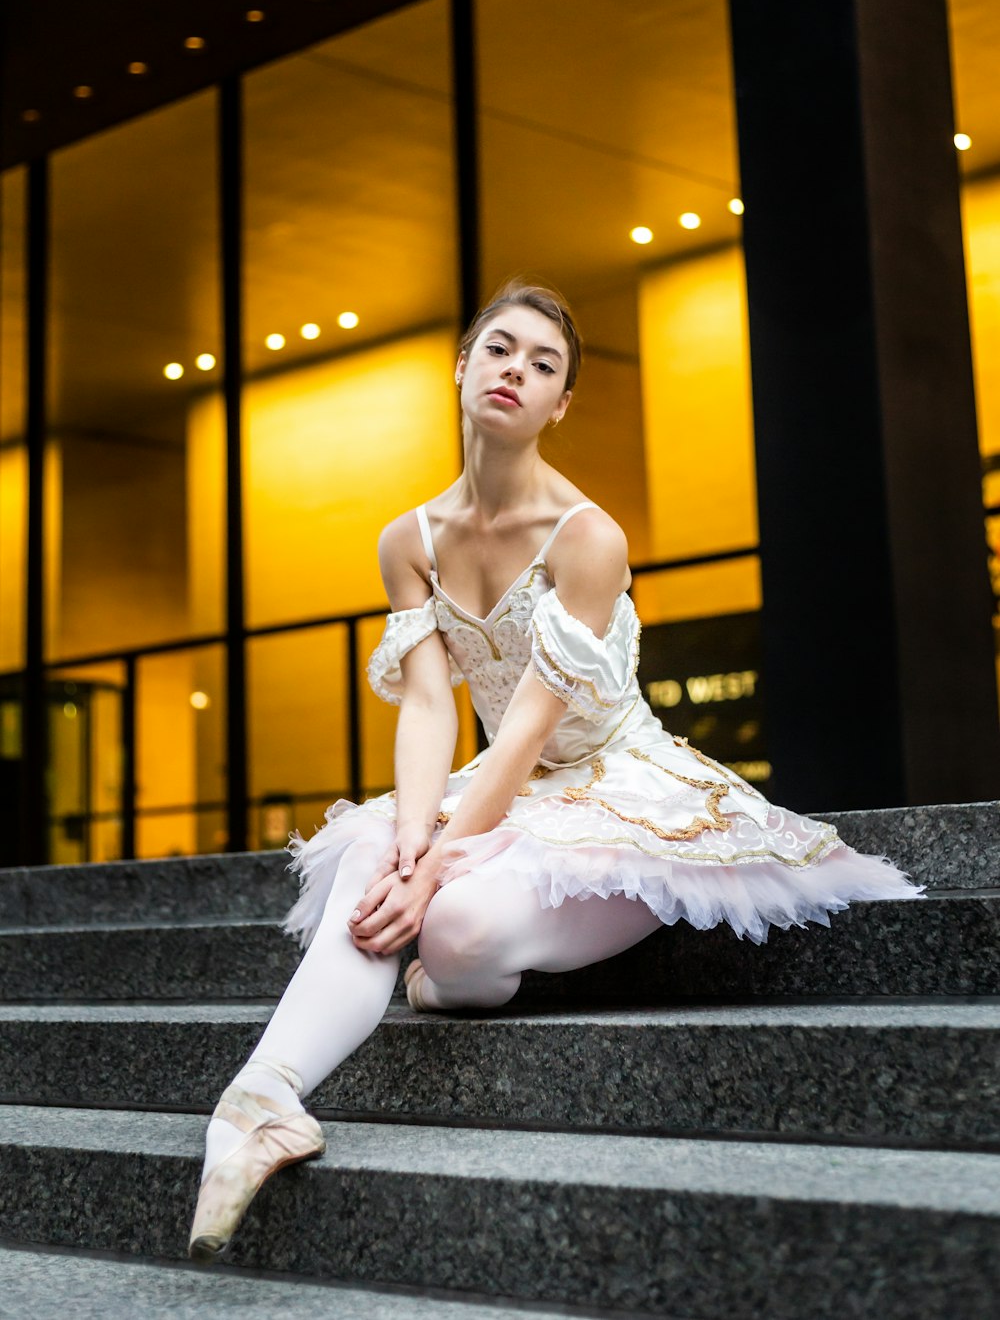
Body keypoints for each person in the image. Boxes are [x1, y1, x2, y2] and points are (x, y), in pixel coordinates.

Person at [188, 278, 922, 1260]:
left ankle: (444, 982)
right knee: (377, 859)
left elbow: (529, 729)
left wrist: (439, 864)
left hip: (616, 787)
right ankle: (258, 1101)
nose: (516, 372)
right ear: (461, 366)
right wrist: (413, 834)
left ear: (560, 405)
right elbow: (423, 703)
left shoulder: (590, 538)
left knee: (451, 929)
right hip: (506, 786)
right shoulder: (405, 540)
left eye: (544, 365)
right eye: (500, 349)